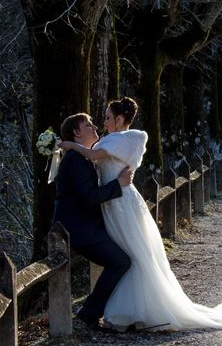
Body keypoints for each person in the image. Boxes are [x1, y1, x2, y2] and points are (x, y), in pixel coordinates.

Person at [59, 97, 222, 332]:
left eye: (107, 118)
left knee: (135, 255)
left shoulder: (127, 139)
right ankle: (124, 310)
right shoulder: (96, 147)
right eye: (92, 124)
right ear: (77, 132)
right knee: (126, 257)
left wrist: (70, 145)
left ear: (119, 119)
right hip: (110, 206)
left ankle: (138, 310)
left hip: (121, 204)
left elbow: (95, 157)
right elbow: (91, 168)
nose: (100, 124)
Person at [52, 113, 134, 331]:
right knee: (120, 261)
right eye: (88, 125)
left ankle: (112, 310)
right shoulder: (73, 160)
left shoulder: (82, 158)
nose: (95, 126)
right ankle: (89, 313)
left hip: (87, 226)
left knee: (125, 256)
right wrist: (119, 184)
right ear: (76, 132)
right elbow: (89, 196)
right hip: (78, 230)